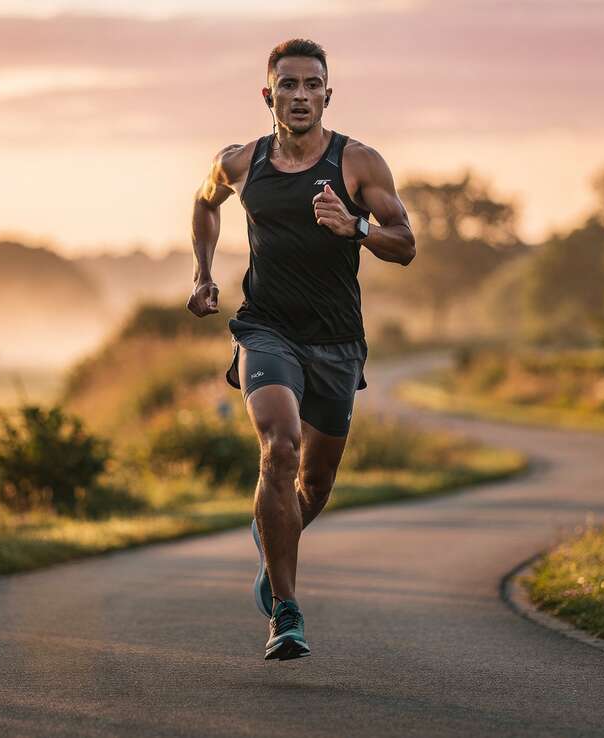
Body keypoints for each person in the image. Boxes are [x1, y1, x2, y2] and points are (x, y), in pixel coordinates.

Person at [186, 38, 416, 661]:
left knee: (312, 485)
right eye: (288, 85)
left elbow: (405, 242)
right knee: (279, 444)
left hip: (338, 341)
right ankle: (286, 613)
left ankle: (271, 537)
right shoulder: (240, 162)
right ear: (269, 96)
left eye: (312, 85)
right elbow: (205, 205)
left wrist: (355, 227)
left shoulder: (359, 163)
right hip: (266, 329)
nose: (300, 96)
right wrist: (204, 275)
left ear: (327, 96)